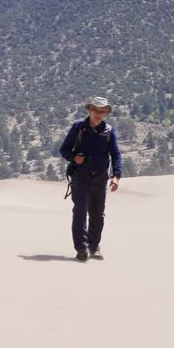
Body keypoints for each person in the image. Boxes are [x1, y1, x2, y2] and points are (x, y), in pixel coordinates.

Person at [60, 96, 122, 261]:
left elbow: (116, 155)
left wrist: (116, 176)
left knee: (97, 215)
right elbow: (64, 149)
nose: (98, 114)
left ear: (106, 113)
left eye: (102, 111)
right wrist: (74, 157)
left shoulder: (109, 132)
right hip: (80, 177)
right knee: (80, 212)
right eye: (95, 110)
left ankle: (94, 247)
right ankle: (81, 248)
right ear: (89, 110)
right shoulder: (78, 128)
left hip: (100, 179)